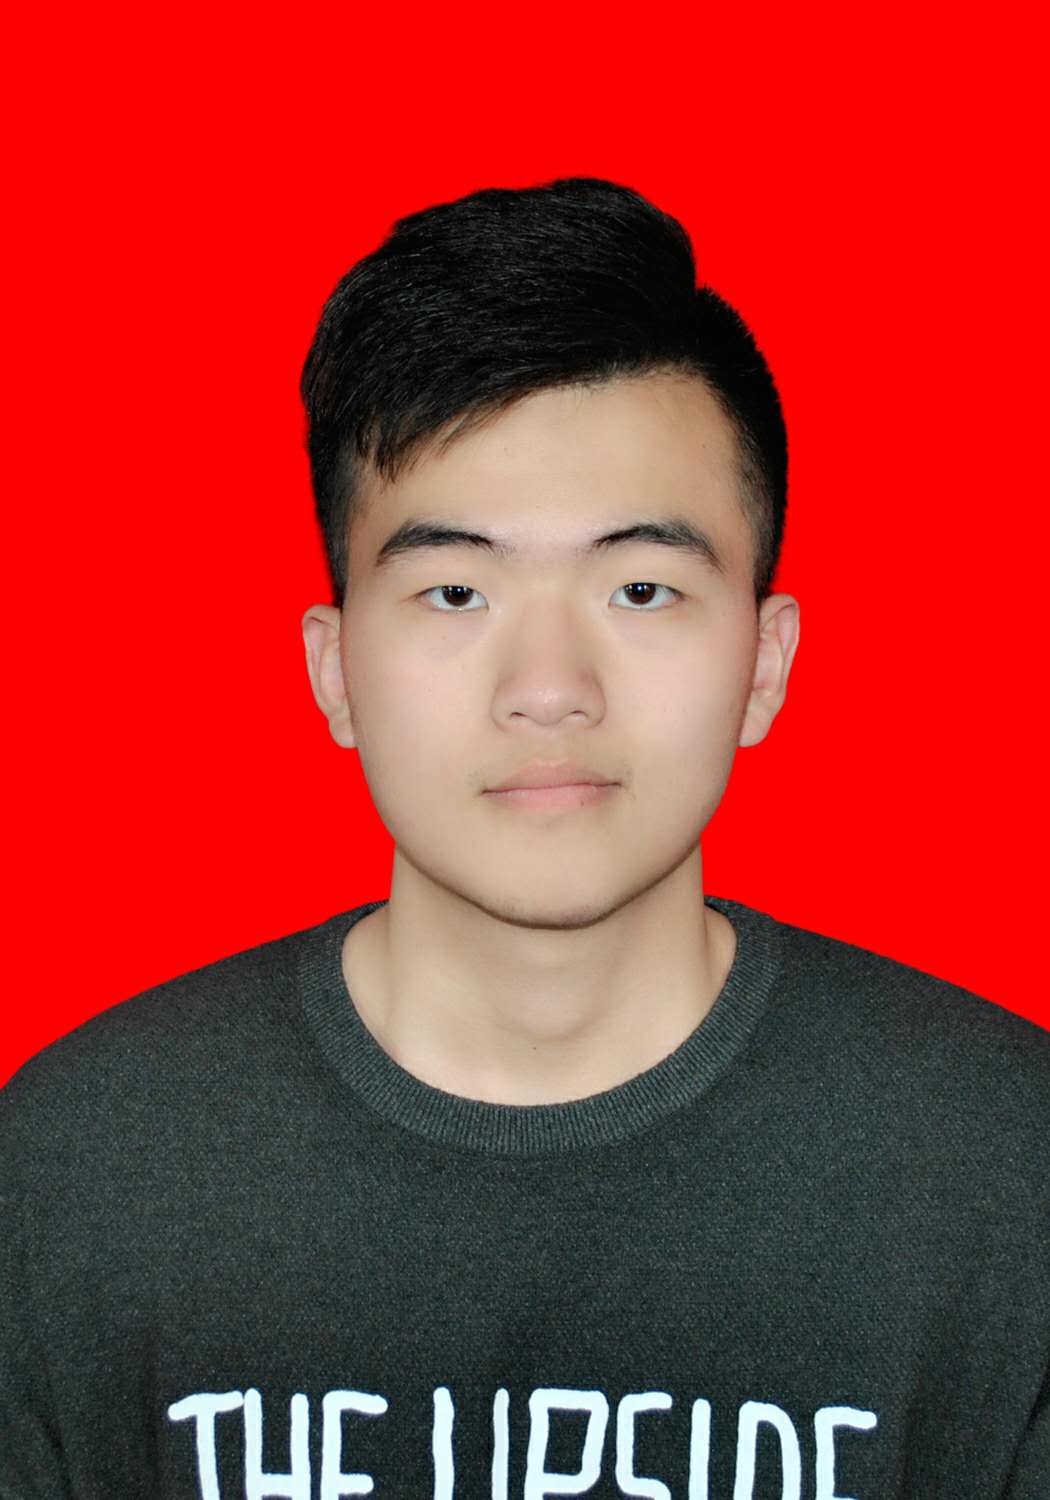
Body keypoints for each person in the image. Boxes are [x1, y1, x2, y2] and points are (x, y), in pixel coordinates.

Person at [2, 177, 1047, 1499]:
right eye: (454, 591)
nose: (548, 689)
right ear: (332, 669)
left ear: (766, 661)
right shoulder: (77, 1170)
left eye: (640, 588)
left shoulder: (1006, 1170)